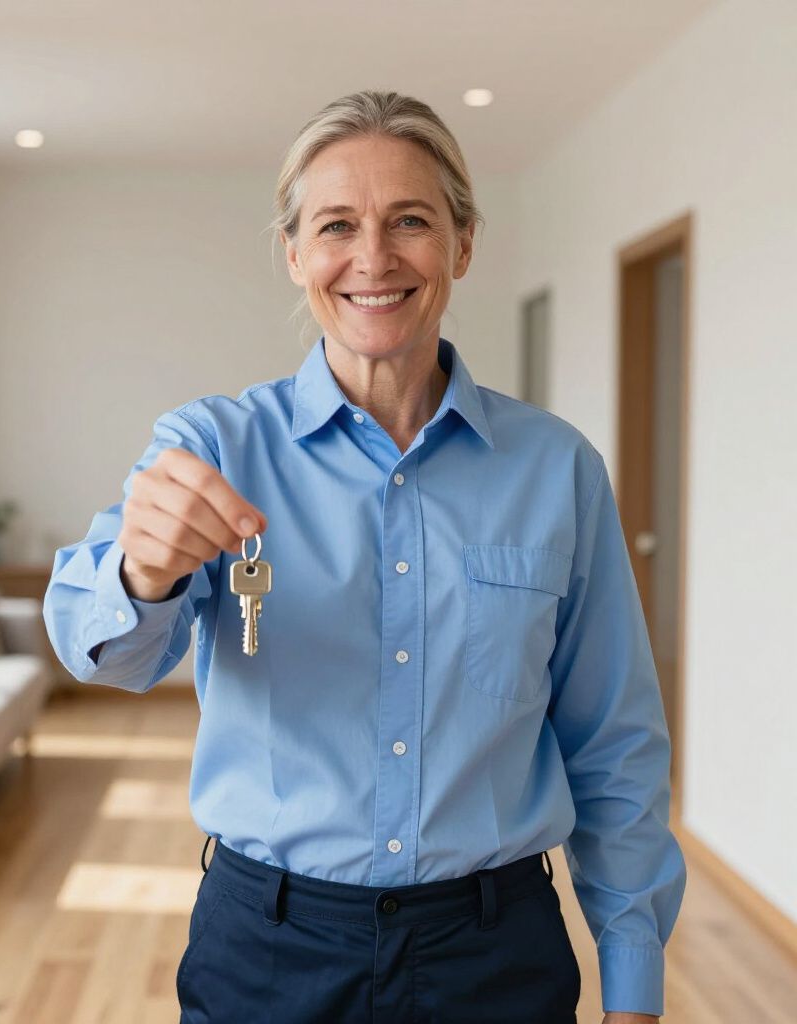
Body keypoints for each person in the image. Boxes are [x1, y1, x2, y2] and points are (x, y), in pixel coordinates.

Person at [42, 90, 686, 1024]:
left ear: (462, 244)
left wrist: (633, 984)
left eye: (410, 221)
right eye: (337, 225)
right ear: (295, 253)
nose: (373, 258)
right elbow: (103, 651)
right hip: (264, 950)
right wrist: (143, 576)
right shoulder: (212, 447)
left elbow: (614, 745)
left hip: (494, 956)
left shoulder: (559, 470)